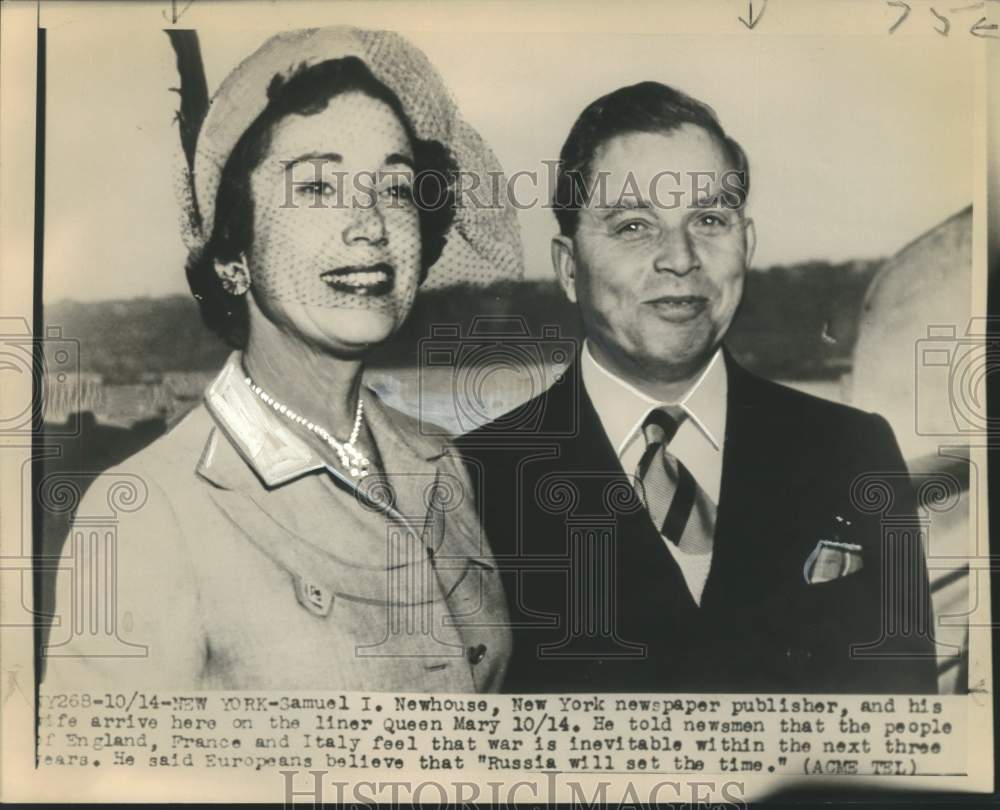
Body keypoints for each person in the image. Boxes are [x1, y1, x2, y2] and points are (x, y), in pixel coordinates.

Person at [42, 27, 520, 692]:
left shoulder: (441, 465)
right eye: (319, 188)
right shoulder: (146, 514)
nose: (371, 225)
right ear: (233, 256)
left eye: (396, 187)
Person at [458, 81, 939, 693]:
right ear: (568, 267)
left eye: (709, 219)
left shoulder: (852, 449)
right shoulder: (476, 480)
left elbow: (908, 728)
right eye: (634, 226)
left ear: (748, 244)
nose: (680, 258)